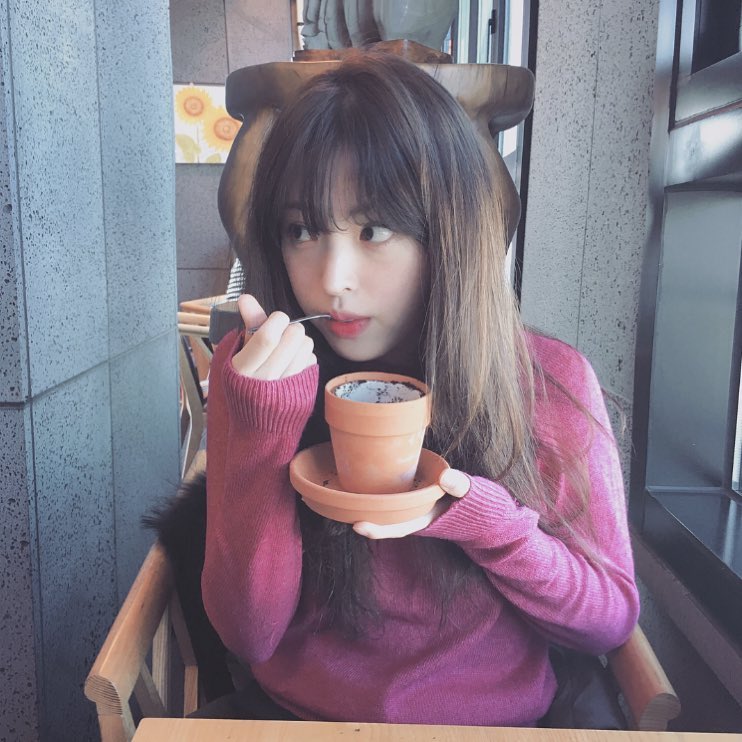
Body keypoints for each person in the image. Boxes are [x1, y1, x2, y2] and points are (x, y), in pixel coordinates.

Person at [201, 52, 640, 727]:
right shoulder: (257, 370)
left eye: (373, 229)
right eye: (302, 230)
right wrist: (264, 426)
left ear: (448, 232)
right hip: (297, 721)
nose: (332, 279)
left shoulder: (544, 380)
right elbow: (248, 636)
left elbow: (607, 620)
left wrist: (486, 522)